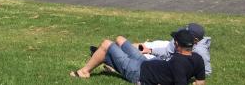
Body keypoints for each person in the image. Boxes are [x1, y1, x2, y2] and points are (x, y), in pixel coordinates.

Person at [70, 29, 205, 84]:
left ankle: (84, 72)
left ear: (176, 44)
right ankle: (107, 59)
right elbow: (200, 82)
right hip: (146, 62)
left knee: (106, 44)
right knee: (120, 39)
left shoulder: (178, 63)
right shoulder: (198, 58)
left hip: (138, 72)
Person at [139, 23, 211, 76]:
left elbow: (207, 71)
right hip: (168, 54)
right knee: (142, 47)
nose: (182, 35)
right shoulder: (182, 40)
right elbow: (168, 51)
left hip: (170, 64)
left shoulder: (200, 52)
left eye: (185, 34)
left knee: (142, 63)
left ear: (195, 40)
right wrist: (150, 51)